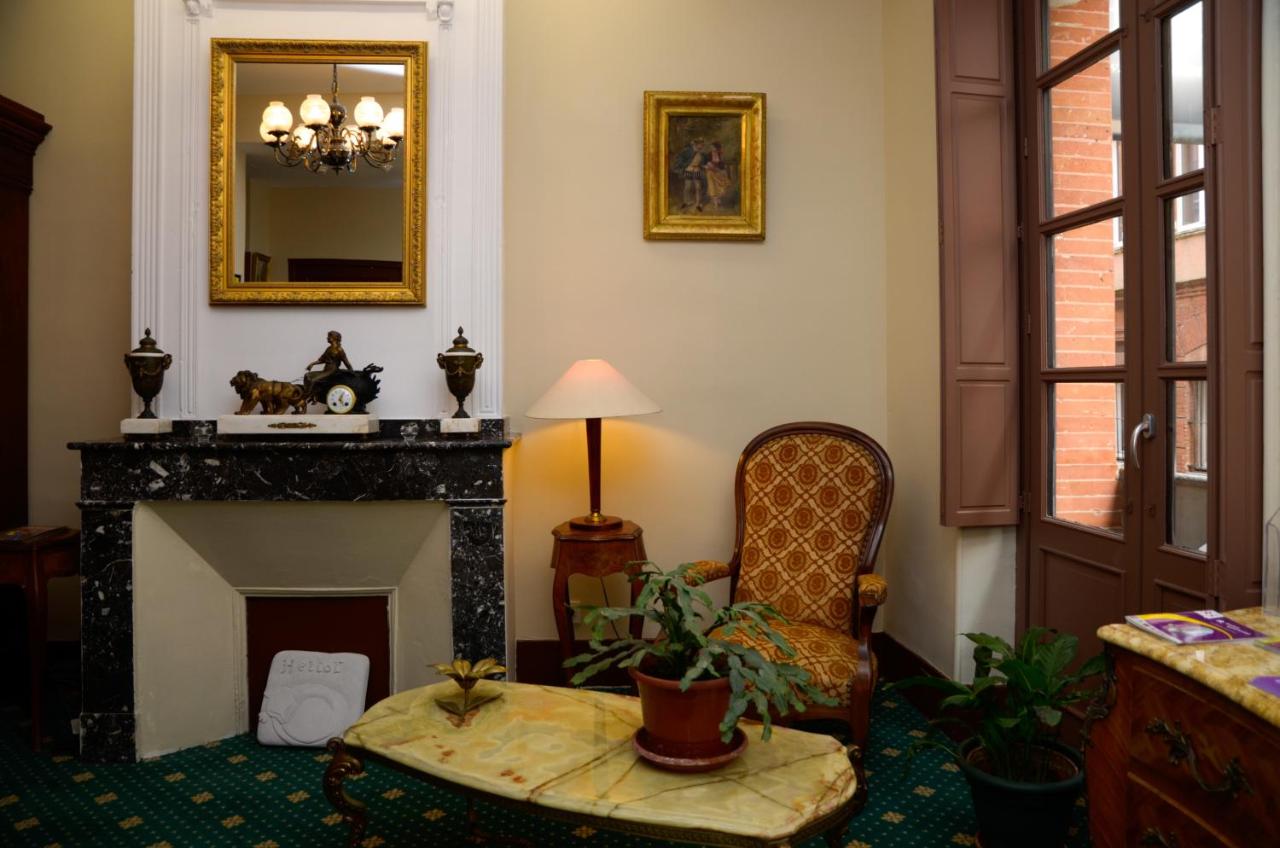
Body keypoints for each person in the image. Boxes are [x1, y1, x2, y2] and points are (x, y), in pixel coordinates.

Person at [303, 330, 352, 395]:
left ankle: (307, 395)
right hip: (326, 370)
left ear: (334, 338)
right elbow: (322, 360)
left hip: (332, 371)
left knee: (313, 380)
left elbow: (346, 363)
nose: (327, 338)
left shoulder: (339, 350)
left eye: (329, 336)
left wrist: (352, 372)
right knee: (307, 375)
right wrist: (312, 364)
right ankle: (310, 393)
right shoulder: (328, 348)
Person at [671, 138, 707, 211]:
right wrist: (683, 166)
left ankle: (698, 204)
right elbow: (680, 158)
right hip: (688, 170)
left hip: (697, 170)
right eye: (701, 144)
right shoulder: (687, 151)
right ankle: (686, 201)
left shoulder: (702, 154)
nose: (702, 146)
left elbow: (702, 163)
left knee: (698, 187)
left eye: (702, 145)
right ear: (696, 144)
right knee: (688, 187)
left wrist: (704, 166)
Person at [704, 141, 732, 211]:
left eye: (713, 147)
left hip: (719, 173)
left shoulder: (720, 154)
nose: (712, 148)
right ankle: (715, 203)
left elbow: (722, 164)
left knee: (721, 187)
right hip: (710, 172)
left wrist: (721, 169)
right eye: (711, 147)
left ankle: (718, 200)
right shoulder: (709, 154)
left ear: (716, 148)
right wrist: (709, 166)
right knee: (712, 187)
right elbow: (705, 163)